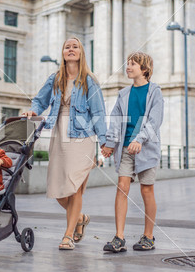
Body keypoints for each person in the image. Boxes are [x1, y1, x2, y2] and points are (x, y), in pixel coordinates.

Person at [22, 37, 107, 250]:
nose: (71, 49)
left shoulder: (89, 81)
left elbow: (98, 113)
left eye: (75, 46)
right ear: (63, 53)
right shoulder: (56, 78)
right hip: (60, 134)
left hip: (82, 136)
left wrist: (105, 142)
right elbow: (40, 100)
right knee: (59, 190)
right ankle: (79, 218)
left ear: (81, 53)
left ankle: (68, 236)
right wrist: (34, 111)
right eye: (67, 46)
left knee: (74, 187)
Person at [101, 51, 164, 252]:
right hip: (126, 148)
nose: (127, 67)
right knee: (122, 187)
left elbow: (155, 121)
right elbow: (115, 120)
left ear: (144, 69)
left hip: (147, 148)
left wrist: (139, 139)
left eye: (132, 64)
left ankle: (148, 236)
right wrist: (110, 143)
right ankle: (119, 237)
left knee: (147, 190)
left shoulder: (155, 92)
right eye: (127, 63)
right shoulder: (123, 94)